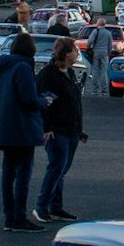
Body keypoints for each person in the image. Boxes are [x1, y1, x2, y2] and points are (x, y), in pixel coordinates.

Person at [0, 32, 47, 232]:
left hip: (3, 125)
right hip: (21, 127)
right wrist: (44, 101)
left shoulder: (0, 68)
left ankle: (9, 216)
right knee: (23, 173)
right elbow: (28, 99)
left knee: (8, 173)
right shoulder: (23, 67)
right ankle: (20, 216)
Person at [35, 37, 86, 224]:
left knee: (61, 169)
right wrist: (46, 127)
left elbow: (74, 101)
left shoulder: (70, 73)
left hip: (72, 129)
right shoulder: (49, 75)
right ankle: (41, 206)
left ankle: (56, 206)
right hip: (57, 130)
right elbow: (45, 102)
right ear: (66, 53)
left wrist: (79, 128)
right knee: (56, 167)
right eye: (74, 49)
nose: (77, 52)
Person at [86, 17, 114, 97]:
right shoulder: (108, 33)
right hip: (104, 52)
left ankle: (95, 90)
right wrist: (108, 53)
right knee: (104, 72)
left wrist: (88, 47)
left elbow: (90, 41)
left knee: (95, 71)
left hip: (95, 52)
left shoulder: (95, 31)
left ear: (98, 24)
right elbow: (110, 45)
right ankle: (104, 90)